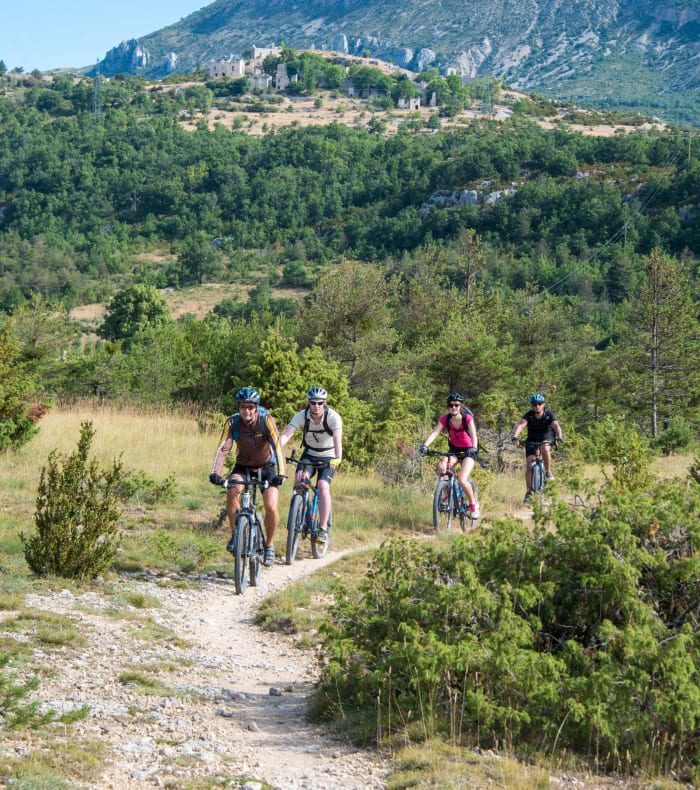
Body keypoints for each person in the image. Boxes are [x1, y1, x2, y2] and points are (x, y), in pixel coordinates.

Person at [209, 387, 287, 567]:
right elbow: (223, 449)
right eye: (243, 407)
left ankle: (269, 545)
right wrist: (216, 473)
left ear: (256, 407)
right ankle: (236, 535)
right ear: (239, 407)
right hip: (243, 466)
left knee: (271, 506)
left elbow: (277, 446)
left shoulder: (266, 420)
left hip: (268, 467)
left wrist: (281, 473)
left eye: (251, 407)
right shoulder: (232, 423)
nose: (247, 411)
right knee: (232, 489)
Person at [279, 386, 343, 540]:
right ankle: (300, 512)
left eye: (320, 403)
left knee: (322, 486)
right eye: (313, 403)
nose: (316, 406)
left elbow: (337, 439)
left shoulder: (333, 417)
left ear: (325, 402)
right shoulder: (301, 416)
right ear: (309, 402)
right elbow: (287, 434)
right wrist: (276, 449)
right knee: (300, 480)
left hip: (329, 456)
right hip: (309, 454)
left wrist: (338, 457)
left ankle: (322, 529)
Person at [419, 392, 480, 519]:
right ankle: (447, 494)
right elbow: (435, 432)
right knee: (442, 467)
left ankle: (473, 504)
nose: (453, 407)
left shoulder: (467, 418)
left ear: (461, 406)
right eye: (451, 405)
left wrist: (474, 448)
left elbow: (474, 435)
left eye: (456, 405)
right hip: (455, 450)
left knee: (462, 479)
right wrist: (425, 445)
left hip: (469, 451)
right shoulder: (445, 419)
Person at [511, 393, 564, 503]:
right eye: (534, 404)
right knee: (530, 465)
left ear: (543, 404)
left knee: (545, 448)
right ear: (532, 405)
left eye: (539, 404)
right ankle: (529, 492)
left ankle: (548, 472)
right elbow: (521, 425)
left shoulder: (548, 414)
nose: (537, 406)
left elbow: (556, 426)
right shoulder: (529, 415)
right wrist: (515, 437)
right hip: (531, 440)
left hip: (546, 438)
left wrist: (559, 437)